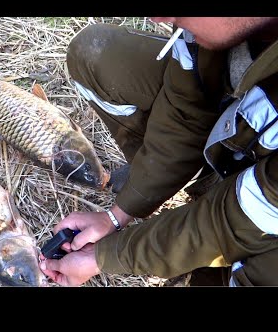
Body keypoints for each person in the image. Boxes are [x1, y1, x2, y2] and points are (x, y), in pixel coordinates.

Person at [39, 17, 278, 287]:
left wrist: (103, 257)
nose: (157, 19)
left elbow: (227, 223)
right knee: (96, 55)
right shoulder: (203, 26)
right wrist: (117, 216)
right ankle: (197, 187)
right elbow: (185, 114)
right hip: (245, 143)